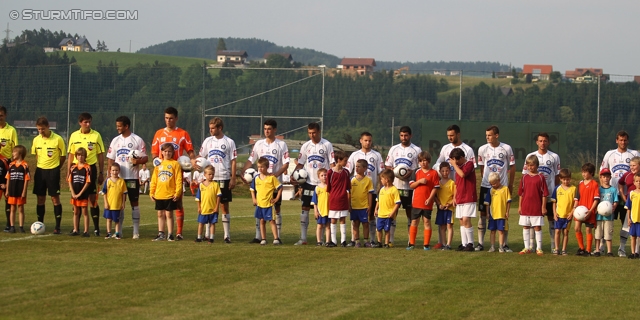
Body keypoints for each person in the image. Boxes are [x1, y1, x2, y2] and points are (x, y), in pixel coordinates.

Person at [241, 119, 289, 243]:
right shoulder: (259, 144)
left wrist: (276, 174)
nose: (266, 131)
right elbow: (251, 160)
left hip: (274, 183)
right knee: (260, 208)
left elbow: (286, 163)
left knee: (276, 210)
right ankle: (258, 236)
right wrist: (243, 170)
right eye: (265, 129)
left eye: (269, 129)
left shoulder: (281, 144)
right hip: (261, 184)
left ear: (275, 130)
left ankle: (277, 237)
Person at [151, 107, 195, 241]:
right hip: (162, 173)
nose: (168, 121)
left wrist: (193, 161)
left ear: (176, 118)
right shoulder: (158, 133)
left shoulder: (183, 134)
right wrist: (156, 161)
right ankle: (162, 232)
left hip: (176, 172)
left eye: (171, 118)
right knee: (161, 208)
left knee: (178, 202)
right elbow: (154, 152)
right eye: (166, 118)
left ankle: (178, 233)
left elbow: (190, 151)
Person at [106, 116, 148, 239]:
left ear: (126, 126)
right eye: (117, 125)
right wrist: (109, 175)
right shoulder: (115, 140)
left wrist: (137, 161)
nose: (117, 128)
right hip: (118, 179)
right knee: (119, 204)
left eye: (119, 126)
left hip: (132, 178)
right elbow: (110, 159)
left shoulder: (137, 140)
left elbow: (145, 157)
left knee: (134, 203)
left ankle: (136, 231)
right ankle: (119, 231)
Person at [293, 122, 334, 245]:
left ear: (319, 132)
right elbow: (300, 163)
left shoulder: (327, 145)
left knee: (323, 210)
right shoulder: (306, 146)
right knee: (305, 208)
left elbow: (332, 163)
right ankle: (303, 238)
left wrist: (334, 179)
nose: (312, 135)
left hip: (323, 184)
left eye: (314, 133)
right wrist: (293, 174)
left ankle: (321, 239)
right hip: (309, 182)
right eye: (309, 133)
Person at [600, 130, 639, 257]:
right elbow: (602, 172)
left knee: (626, 223)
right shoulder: (610, 154)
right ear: (616, 140)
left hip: (628, 197)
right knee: (605, 220)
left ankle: (622, 248)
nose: (623, 142)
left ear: (628, 141)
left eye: (625, 140)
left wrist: (624, 194)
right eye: (620, 140)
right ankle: (601, 246)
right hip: (610, 193)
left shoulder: (634, 154)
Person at [476, 125, 515, 251]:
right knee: (483, 213)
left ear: (496, 135)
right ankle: (481, 243)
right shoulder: (482, 149)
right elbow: (482, 168)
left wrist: (510, 184)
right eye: (486, 135)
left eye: (490, 135)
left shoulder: (506, 148)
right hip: (486, 186)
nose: (487, 137)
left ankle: (504, 244)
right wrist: (488, 181)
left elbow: (512, 167)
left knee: (503, 214)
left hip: (502, 187)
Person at [198, 117, 237, 243]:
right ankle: (208, 234)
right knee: (208, 206)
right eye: (209, 128)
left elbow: (233, 161)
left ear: (220, 128)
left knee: (224, 206)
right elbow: (201, 157)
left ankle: (227, 235)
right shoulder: (207, 141)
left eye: (213, 128)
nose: (210, 130)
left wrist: (233, 178)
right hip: (209, 179)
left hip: (223, 177)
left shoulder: (229, 142)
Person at [67, 113, 105, 237]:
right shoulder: (74, 135)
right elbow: (71, 155)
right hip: (76, 169)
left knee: (92, 199)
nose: (88, 124)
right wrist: (68, 170)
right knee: (76, 200)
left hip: (91, 168)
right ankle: (75, 229)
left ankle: (95, 228)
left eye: (89, 122)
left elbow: (100, 154)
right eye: (85, 122)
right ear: (80, 123)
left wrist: (100, 172)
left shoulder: (96, 135)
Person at [522, 132, 560, 252]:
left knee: (551, 219)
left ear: (548, 142)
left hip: (549, 194)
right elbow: (525, 176)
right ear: (537, 142)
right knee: (533, 221)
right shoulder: (531, 156)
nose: (542, 143)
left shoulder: (554, 156)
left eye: (545, 141)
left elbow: (557, 175)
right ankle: (532, 246)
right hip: (534, 197)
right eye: (540, 141)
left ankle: (553, 245)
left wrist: (556, 191)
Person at [385, 126, 422, 247]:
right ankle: (390, 240)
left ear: (410, 135)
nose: (403, 138)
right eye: (401, 135)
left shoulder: (416, 150)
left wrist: (410, 172)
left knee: (410, 214)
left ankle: (410, 241)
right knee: (392, 213)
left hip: (409, 187)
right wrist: (396, 171)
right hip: (395, 187)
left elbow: (419, 167)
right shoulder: (394, 149)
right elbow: (388, 166)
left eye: (406, 135)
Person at [346, 132, 384, 246]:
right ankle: (354, 240)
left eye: (370, 141)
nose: (368, 143)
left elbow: (381, 173)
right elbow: (348, 171)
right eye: (365, 140)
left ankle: (371, 240)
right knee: (355, 219)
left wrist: (381, 190)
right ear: (361, 141)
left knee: (371, 216)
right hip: (357, 192)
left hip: (370, 191)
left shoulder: (376, 155)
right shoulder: (354, 155)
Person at [31, 117, 66, 234]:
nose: (41, 131)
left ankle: (58, 227)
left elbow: (63, 156)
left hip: (53, 171)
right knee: (40, 198)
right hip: (40, 171)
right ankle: (40, 224)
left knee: (54, 198)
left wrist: (56, 168)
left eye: (43, 129)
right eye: (39, 129)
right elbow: (36, 155)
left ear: (48, 127)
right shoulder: (36, 140)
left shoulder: (58, 139)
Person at [150, 143, 183, 241]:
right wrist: (151, 192)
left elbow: (178, 179)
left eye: (169, 151)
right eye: (165, 151)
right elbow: (154, 179)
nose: (167, 153)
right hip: (159, 194)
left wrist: (178, 192)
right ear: (162, 152)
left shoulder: (175, 164)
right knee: (160, 214)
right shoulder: (158, 164)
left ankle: (170, 234)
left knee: (169, 214)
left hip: (170, 194)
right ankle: (161, 234)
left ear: (173, 152)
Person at [408, 151, 439, 250]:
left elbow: (435, 187)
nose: (423, 163)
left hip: (427, 202)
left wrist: (430, 199)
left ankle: (426, 245)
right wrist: (419, 181)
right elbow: (412, 185)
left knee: (426, 222)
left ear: (429, 161)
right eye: (421, 161)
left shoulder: (434, 173)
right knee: (414, 222)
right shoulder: (416, 172)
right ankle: (411, 244)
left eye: (425, 161)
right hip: (416, 201)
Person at [518, 155, 549, 255]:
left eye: (532, 165)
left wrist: (543, 207)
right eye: (528, 165)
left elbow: (544, 194)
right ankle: (527, 247)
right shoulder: (524, 177)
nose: (530, 167)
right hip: (525, 206)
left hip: (536, 206)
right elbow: (521, 193)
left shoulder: (540, 177)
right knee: (526, 226)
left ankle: (539, 248)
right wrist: (520, 206)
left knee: (537, 227)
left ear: (537, 165)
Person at [449, 148, 477, 251]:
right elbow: (457, 184)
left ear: (461, 157)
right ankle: (464, 243)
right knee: (461, 221)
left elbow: (463, 174)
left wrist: (455, 165)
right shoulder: (458, 168)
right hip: (460, 197)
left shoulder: (469, 164)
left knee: (466, 219)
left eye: (457, 160)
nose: (455, 163)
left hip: (469, 196)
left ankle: (471, 243)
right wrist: (455, 197)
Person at [250, 157, 283, 245]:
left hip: (269, 204)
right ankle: (263, 239)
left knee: (272, 221)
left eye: (262, 167)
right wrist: (254, 199)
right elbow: (252, 189)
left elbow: (280, 188)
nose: (260, 169)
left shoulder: (271, 178)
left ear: (267, 167)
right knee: (261, 221)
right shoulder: (256, 178)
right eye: (259, 167)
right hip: (260, 204)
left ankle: (276, 238)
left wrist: (276, 199)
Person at [574, 163, 600, 256]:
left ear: (591, 173)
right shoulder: (580, 183)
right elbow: (577, 198)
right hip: (579, 210)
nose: (583, 174)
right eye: (583, 172)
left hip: (589, 211)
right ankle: (581, 248)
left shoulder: (594, 184)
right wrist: (574, 208)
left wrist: (590, 210)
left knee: (588, 230)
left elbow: (596, 199)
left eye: (586, 172)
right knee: (576, 228)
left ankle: (588, 250)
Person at [326, 150, 350, 247]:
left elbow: (348, 187)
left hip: (343, 199)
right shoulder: (330, 172)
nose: (346, 163)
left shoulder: (346, 172)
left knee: (343, 219)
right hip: (334, 199)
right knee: (333, 219)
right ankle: (334, 241)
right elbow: (329, 187)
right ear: (338, 160)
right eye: (345, 161)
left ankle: (343, 241)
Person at [0, 106, 18, 232]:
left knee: (8, 194)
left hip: (6, 164)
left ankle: (8, 223)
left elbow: (15, 149)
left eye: (1, 115)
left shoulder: (11, 130)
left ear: (5, 115)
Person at [617, 157, 640, 257]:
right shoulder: (627, 175)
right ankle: (622, 248)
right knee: (627, 227)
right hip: (631, 205)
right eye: (630, 165)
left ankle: (637, 251)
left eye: (634, 165)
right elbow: (620, 183)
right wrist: (623, 196)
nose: (632, 167)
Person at [550, 168, 576, 256]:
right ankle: (557, 249)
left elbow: (575, 203)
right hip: (558, 215)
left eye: (568, 179)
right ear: (560, 179)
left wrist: (572, 213)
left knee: (565, 232)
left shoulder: (573, 189)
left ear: (570, 179)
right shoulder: (557, 188)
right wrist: (554, 213)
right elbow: (554, 202)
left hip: (568, 215)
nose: (566, 181)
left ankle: (564, 249)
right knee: (557, 231)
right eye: (564, 179)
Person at [483, 172, 511, 252]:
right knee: (492, 231)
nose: (493, 185)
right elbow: (487, 203)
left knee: (501, 231)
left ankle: (501, 247)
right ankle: (492, 246)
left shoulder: (505, 189)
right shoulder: (490, 190)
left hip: (501, 214)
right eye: (491, 184)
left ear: (499, 180)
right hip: (493, 214)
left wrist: (507, 212)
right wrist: (487, 213)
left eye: (494, 183)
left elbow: (508, 201)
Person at [67, 147, 92, 237]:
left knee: (85, 212)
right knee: (76, 212)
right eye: (78, 155)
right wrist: (73, 193)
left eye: (82, 155)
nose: (80, 157)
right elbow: (70, 180)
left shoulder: (87, 167)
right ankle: (75, 229)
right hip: (74, 192)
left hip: (83, 193)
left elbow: (88, 181)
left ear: (85, 156)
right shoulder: (73, 167)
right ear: (76, 156)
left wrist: (80, 193)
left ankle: (86, 231)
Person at [349, 159, 374, 247]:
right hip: (354, 206)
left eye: (359, 167)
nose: (356, 168)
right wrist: (349, 205)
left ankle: (366, 241)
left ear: (365, 168)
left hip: (364, 206)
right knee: (355, 224)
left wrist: (370, 206)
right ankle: (357, 241)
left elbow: (370, 194)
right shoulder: (352, 180)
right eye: (356, 166)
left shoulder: (368, 180)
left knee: (365, 224)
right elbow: (349, 193)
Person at [194, 165, 222, 244]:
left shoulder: (215, 185)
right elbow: (198, 198)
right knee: (201, 223)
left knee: (212, 224)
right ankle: (199, 237)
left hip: (213, 209)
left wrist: (217, 207)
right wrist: (199, 207)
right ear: (205, 175)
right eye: (209, 174)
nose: (211, 176)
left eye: (212, 174)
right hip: (204, 208)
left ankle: (211, 238)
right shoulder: (201, 185)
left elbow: (218, 196)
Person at [374, 169, 401, 248]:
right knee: (378, 229)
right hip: (380, 214)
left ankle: (386, 243)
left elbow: (397, 203)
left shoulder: (394, 190)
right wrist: (376, 209)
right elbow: (378, 200)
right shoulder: (382, 189)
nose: (381, 181)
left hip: (388, 215)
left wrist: (392, 213)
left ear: (387, 180)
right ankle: (379, 242)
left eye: (382, 179)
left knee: (387, 229)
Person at [5, 145, 29, 233]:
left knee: (20, 208)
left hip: (20, 190)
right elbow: (8, 178)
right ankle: (12, 226)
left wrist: (24, 191)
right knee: (12, 208)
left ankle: (21, 227)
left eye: (14, 152)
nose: (13, 153)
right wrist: (7, 190)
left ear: (20, 153)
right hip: (12, 189)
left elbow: (26, 179)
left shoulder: (25, 165)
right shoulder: (11, 165)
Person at [102, 163, 128, 240]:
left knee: (117, 220)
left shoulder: (121, 181)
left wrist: (123, 203)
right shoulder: (108, 181)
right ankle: (109, 233)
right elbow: (104, 193)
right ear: (110, 171)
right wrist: (105, 203)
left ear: (119, 171)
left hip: (117, 205)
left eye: (116, 170)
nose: (114, 172)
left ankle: (117, 233)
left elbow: (124, 194)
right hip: (109, 205)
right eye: (113, 170)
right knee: (109, 219)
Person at [596, 168, 618, 256]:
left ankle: (609, 251)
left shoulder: (613, 190)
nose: (606, 178)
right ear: (601, 177)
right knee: (598, 234)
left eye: (607, 177)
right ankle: (597, 250)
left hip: (609, 216)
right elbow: (595, 200)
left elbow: (616, 201)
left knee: (608, 234)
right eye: (604, 177)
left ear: (610, 178)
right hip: (599, 216)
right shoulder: (598, 189)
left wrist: (614, 207)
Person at [435, 162, 455, 250]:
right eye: (443, 171)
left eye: (447, 171)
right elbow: (435, 196)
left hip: (449, 208)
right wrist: (439, 204)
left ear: (449, 171)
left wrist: (449, 204)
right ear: (440, 171)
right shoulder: (438, 183)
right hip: (441, 208)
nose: (445, 173)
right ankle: (443, 244)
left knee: (449, 226)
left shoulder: (452, 183)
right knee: (442, 227)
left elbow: (455, 196)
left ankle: (448, 244)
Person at [312, 168, 330, 246]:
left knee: (328, 226)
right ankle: (319, 241)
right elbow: (315, 201)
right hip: (321, 210)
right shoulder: (317, 188)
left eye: (325, 175)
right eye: (322, 175)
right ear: (319, 177)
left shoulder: (330, 187)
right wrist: (315, 211)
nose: (324, 177)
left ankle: (328, 241)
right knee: (319, 226)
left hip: (329, 210)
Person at [625, 172, 640, 259]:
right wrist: (628, 219)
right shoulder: (631, 193)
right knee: (633, 236)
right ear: (634, 182)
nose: (639, 182)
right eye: (637, 181)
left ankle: (638, 252)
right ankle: (633, 252)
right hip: (634, 218)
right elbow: (628, 207)